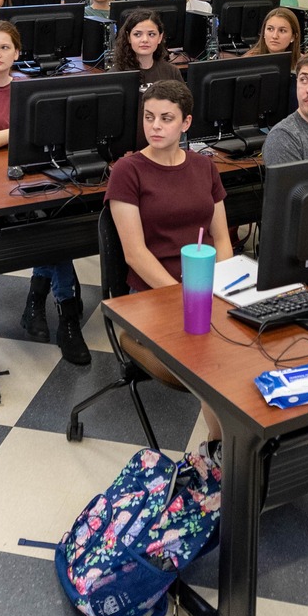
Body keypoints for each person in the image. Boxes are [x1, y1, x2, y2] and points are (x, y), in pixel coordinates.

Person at [0, 20, 90, 364]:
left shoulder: (29, 87)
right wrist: (17, 131)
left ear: (17, 52)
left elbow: (44, 137)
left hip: (27, 180)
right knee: (51, 228)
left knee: (56, 217)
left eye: (5, 47)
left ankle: (37, 300)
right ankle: (68, 313)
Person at [106, 81, 232, 442]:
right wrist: (185, 294)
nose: (156, 126)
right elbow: (135, 253)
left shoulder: (204, 168)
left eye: (166, 118)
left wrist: (219, 286)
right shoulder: (128, 171)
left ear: (186, 123)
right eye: (149, 118)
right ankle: (217, 446)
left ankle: (234, 450)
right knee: (212, 362)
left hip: (207, 288)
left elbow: (221, 237)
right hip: (154, 294)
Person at [110, 8, 178, 89]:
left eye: (151, 34)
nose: (145, 40)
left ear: (160, 37)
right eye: (137, 34)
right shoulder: (114, 75)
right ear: (128, 37)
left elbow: (183, 101)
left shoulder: (171, 72)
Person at [247, 5, 304, 70]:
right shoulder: (249, 61)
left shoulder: (303, 63)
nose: (274, 36)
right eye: (270, 29)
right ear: (263, 33)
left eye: (282, 30)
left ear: (293, 37)